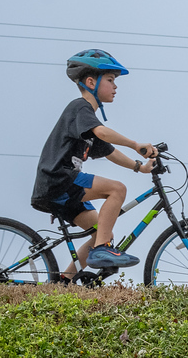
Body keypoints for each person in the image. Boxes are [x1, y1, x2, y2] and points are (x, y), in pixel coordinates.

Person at [31, 49, 159, 275]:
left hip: (63, 187)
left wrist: (140, 167)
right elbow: (103, 132)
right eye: (110, 80)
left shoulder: (86, 123)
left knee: (103, 231)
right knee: (117, 189)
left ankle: (65, 281)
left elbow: (109, 151)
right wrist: (135, 144)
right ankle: (101, 250)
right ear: (91, 81)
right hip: (59, 179)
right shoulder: (80, 108)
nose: (116, 86)